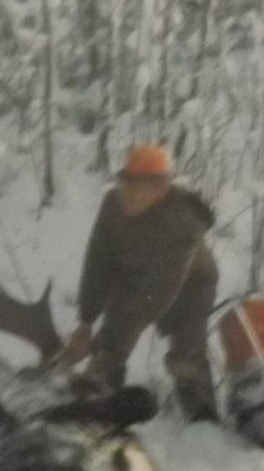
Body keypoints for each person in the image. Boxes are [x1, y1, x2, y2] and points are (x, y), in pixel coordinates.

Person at [56, 145, 220, 421]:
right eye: (126, 182)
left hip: (190, 287)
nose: (129, 193)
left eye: (140, 186)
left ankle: (203, 420)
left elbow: (154, 298)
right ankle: (96, 404)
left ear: (162, 189)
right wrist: (85, 322)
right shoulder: (112, 204)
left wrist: (96, 342)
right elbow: (98, 262)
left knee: (184, 361)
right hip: (132, 277)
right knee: (105, 359)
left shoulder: (181, 224)